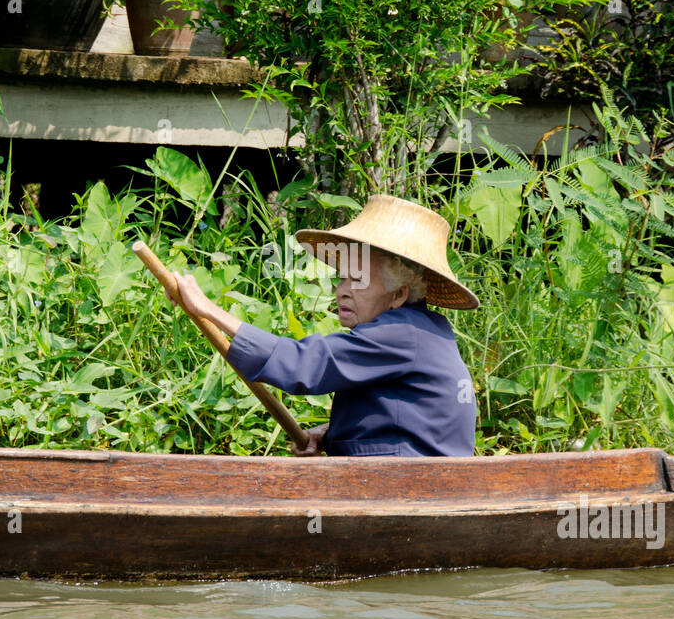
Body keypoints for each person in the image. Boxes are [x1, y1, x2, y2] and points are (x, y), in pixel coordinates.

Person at [168, 194, 479, 457]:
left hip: (409, 495)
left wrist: (208, 309)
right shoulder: (425, 332)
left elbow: (305, 364)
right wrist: (331, 433)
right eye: (342, 276)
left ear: (398, 294)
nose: (342, 289)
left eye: (357, 279)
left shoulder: (405, 335)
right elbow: (405, 420)